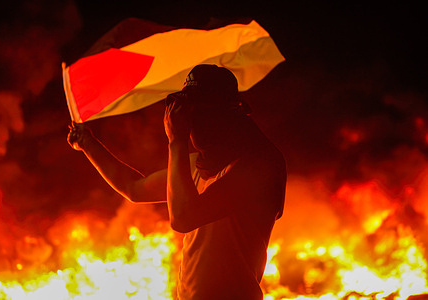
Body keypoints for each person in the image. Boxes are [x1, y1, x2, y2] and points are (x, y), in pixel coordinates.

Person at [68, 64, 286, 300]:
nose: (190, 123)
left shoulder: (259, 166)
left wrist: (177, 141)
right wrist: (88, 144)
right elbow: (134, 188)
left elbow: (183, 218)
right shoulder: (199, 164)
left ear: (226, 114)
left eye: (197, 113)